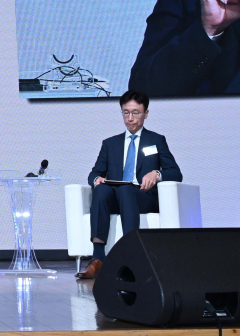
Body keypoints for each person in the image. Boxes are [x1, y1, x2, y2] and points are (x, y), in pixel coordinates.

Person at [76, 91, 180, 280]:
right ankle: (98, 258)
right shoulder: (110, 144)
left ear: (146, 113)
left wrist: (157, 174)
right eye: (126, 113)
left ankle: (131, 257)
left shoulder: (156, 140)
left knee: (126, 189)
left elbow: (176, 173)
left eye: (136, 113)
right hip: (116, 197)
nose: (130, 119)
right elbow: (94, 172)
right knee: (101, 189)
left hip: (142, 197)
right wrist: (96, 179)